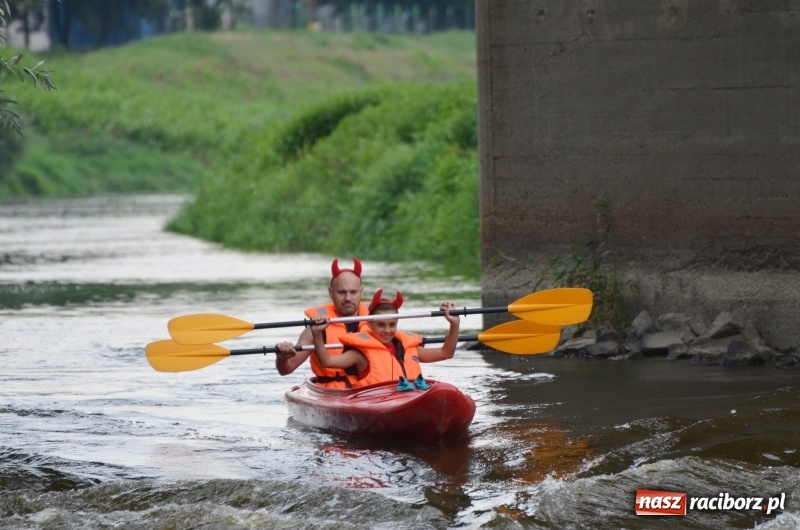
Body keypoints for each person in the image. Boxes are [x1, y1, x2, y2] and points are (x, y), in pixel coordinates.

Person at [309, 288, 461, 391]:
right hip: (377, 402)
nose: (387, 330)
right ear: (369, 324)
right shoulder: (359, 354)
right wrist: (317, 334)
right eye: (381, 325)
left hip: (411, 397)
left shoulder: (408, 348)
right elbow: (327, 362)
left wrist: (454, 324)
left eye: (392, 325)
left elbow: (446, 353)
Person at [275, 257, 369, 388]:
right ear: (331, 293)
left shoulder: (377, 324)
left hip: (368, 389)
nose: (348, 298)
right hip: (331, 391)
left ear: (361, 291)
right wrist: (282, 358)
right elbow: (286, 369)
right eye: (341, 292)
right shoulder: (315, 329)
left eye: (353, 292)